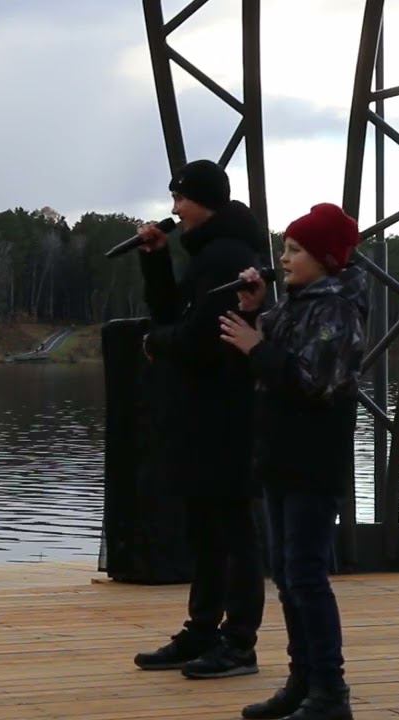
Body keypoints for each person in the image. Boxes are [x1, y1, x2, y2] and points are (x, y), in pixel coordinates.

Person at [220, 203, 365, 720]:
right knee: (285, 573)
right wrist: (256, 309)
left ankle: (330, 691)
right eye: (284, 248)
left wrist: (256, 345)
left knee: (305, 575)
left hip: (312, 461)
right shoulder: (300, 305)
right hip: (281, 458)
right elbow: (272, 354)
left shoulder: (337, 309)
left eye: (295, 250)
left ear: (326, 258)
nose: (284, 258)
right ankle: (302, 681)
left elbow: (312, 380)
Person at [131, 159, 268, 680]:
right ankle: (203, 629)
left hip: (226, 413)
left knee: (232, 528)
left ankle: (239, 641)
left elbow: (202, 338)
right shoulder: (209, 253)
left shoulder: (227, 256)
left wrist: (155, 344)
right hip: (204, 412)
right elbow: (175, 315)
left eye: (181, 198)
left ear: (204, 201)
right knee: (207, 526)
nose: (174, 209)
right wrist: (155, 262)